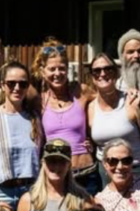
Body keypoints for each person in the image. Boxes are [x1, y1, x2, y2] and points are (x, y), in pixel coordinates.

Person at [35, 42, 98, 195]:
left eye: (62, 68)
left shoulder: (81, 91)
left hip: (86, 172)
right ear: (43, 72)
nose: (57, 73)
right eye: (52, 69)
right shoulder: (39, 101)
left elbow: (108, 99)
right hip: (56, 176)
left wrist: (92, 139)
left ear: (68, 69)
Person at [0, 61, 42, 206]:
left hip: (31, 191)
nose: (17, 88)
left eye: (22, 84)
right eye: (11, 83)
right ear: (2, 85)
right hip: (0, 193)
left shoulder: (34, 119)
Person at [87, 53, 140, 179]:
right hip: (104, 174)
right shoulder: (90, 108)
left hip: (136, 171)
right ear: (92, 76)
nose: (102, 74)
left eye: (108, 69)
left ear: (116, 73)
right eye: (97, 70)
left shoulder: (134, 102)